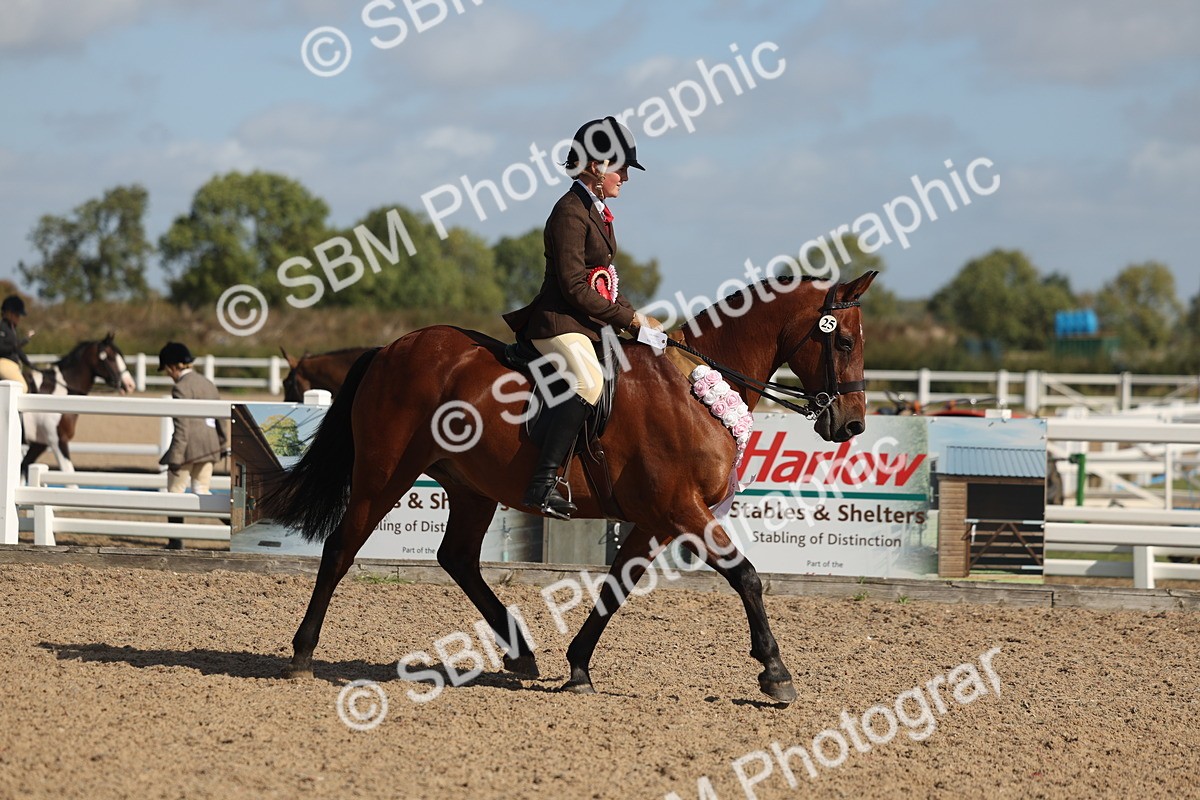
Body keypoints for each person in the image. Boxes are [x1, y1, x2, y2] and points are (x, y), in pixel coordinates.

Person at [503, 116, 664, 520]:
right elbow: (575, 286)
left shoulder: (596, 211)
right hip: (558, 323)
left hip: (584, 323)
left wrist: (638, 318)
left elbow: (603, 280)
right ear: (596, 167)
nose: (625, 176)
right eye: (620, 168)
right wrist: (629, 321)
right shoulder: (569, 213)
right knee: (588, 381)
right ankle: (542, 483)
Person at [158, 341, 230, 548]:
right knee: (202, 492)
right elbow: (220, 419)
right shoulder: (208, 383)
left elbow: (182, 427)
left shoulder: (180, 388)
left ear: (173, 366)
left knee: (175, 492)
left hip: (188, 449)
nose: (168, 375)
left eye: (167, 370)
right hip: (210, 446)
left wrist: (176, 457)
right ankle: (233, 527)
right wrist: (222, 443)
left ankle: (175, 540)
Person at [0, 295, 34, 392]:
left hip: (13, 365)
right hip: (4, 363)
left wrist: (30, 364)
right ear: (9, 313)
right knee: (22, 388)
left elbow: (18, 351)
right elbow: (2, 348)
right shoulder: (2, 328)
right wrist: (23, 341)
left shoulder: (12, 330)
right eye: (17, 315)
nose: (19, 318)